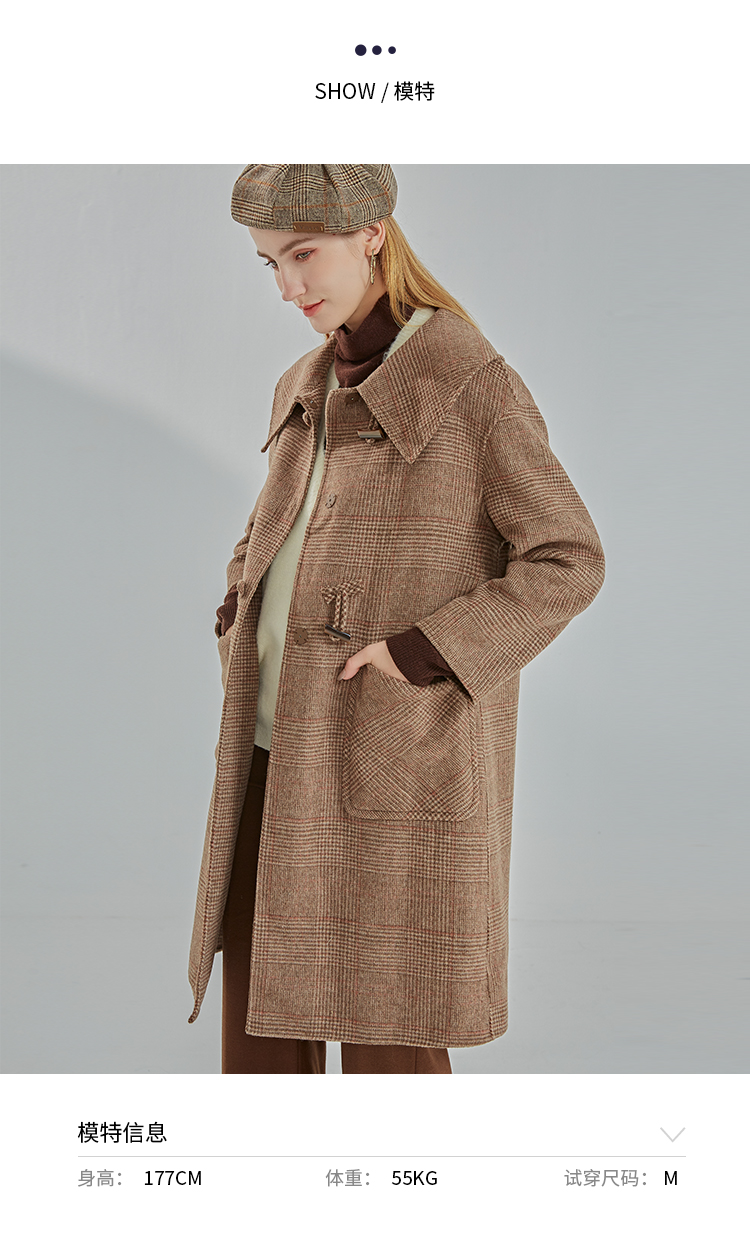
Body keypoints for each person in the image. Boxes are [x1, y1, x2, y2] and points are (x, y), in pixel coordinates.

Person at [188, 164, 606, 1074]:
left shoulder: (469, 382)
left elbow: (569, 557)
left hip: (394, 752)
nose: (288, 287)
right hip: (273, 741)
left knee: (392, 1038)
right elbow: (272, 523)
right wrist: (237, 606)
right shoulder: (303, 382)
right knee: (262, 1037)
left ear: (372, 233)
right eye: (269, 263)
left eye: (303, 254)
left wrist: (418, 651)